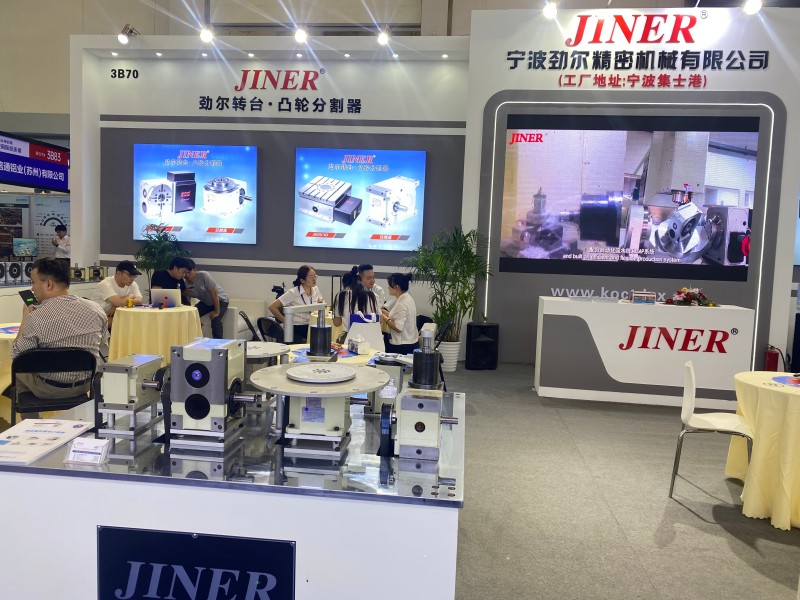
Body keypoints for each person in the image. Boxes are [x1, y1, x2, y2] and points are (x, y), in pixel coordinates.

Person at [12, 258, 108, 403]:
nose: (32, 289)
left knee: (17, 371)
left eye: (33, 282)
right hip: (87, 384)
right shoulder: (96, 309)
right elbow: (103, 344)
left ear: (48, 284)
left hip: (50, 388)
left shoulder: (36, 317)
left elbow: (16, 354)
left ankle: (30, 414)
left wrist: (25, 319)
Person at [268, 265, 324, 343]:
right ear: (302, 280)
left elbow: (322, 301)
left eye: (315, 276)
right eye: (311, 277)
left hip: (311, 324)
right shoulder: (293, 292)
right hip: (296, 327)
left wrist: (322, 304)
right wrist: (286, 321)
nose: (314, 279)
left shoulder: (315, 289)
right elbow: (272, 307)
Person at [184, 259, 229, 339]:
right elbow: (187, 302)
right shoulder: (184, 283)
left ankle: (218, 343)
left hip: (221, 300)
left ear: (195, 270)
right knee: (191, 315)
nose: (187, 275)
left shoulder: (203, 275)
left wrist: (216, 311)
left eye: (189, 272)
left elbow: (214, 293)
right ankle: (195, 338)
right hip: (206, 302)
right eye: (185, 273)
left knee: (215, 318)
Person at [91, 260, 143, 328]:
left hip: (115, 316)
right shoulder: (105, 284)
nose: (132, 278)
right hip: (98, 318)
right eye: (130, 275)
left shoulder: (132, 284)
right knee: (127, 323)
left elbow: (139, 301)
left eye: (134, 275)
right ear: (118, 273)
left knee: (136, 321)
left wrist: (116, 307)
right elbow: (119, 302)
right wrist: (131, 296)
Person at [333, 267, 379, 342]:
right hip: (369, 338)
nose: (372, 280)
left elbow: (337, 322)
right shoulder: (373, 296)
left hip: (349, 338)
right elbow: (379, 319)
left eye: (373, 277)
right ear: (360, 279)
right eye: (368, 278)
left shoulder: (341, 295)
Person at [380, 272, 418, 355]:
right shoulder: (407, 297)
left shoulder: (401, 303)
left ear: (396, 287)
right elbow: (398, 316)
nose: (388, 288)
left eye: (389, 286)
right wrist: (384, 312)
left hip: (403, 346)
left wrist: (384, 317)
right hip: (411, 342)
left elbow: (398, 328)